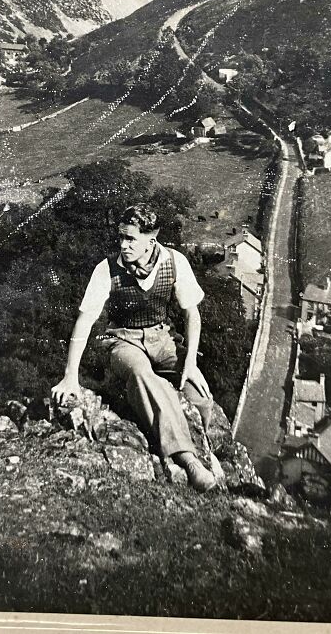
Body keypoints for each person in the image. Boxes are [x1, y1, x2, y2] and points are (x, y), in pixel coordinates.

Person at [51, 202, 217, 492]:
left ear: (150, 240)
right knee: (142, 374)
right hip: (121, 340)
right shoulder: (107, 268)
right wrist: (70, 375)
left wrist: (190, 363)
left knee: (200, 397)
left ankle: (205, 452)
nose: (123, 245)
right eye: (121, 237)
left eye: (131, 239)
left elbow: (192, 313)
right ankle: (188, 460)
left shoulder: (175, 261)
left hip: (162, 339)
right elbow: (85, 320)